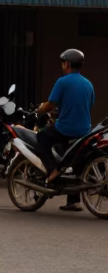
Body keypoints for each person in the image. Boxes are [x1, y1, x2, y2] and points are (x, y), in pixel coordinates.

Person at [35, 49, 95, 194]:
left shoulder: (62, 82)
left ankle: (53, 172)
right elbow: (88, 105)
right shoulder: (88, 84)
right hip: (85, 131)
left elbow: (50, 104)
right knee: (75, 161)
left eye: (63, 63)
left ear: (67, 64)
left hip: (66, 130)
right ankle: (73, 202)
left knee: (41, 137)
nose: (62, 66)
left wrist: (39, 110)